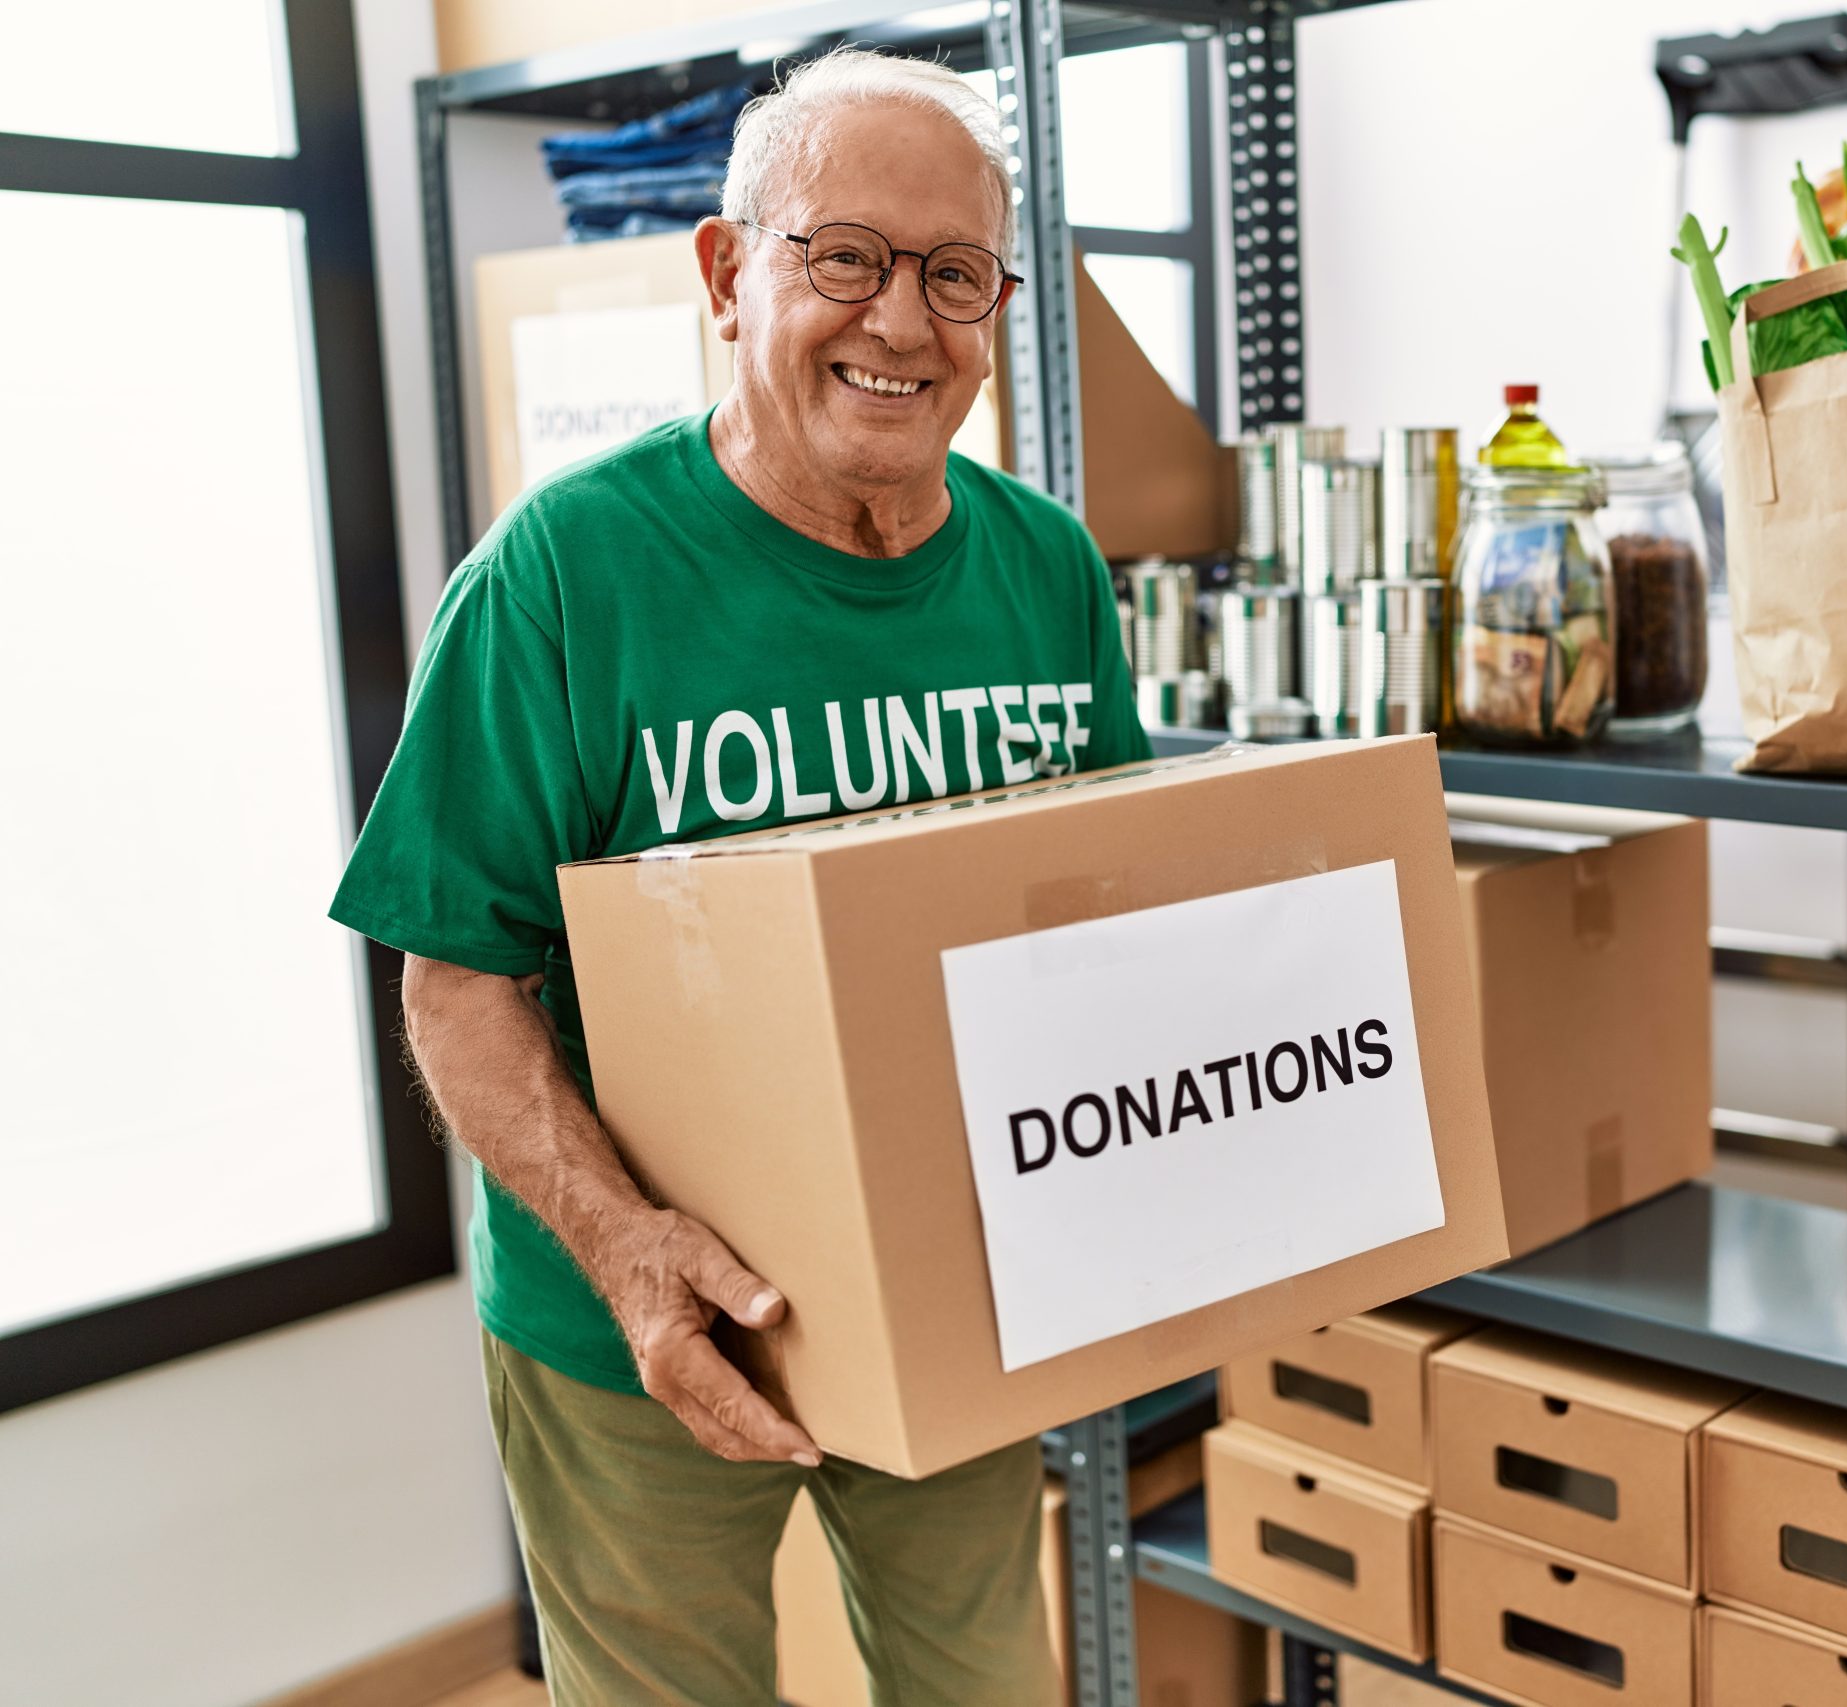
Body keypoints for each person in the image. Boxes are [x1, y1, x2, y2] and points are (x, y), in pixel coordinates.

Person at [330, 46, 1146, 1706]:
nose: (902, 323)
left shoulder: (1048, 565)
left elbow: (1099, 924)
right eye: (842, 257)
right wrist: (627, 1254)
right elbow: (453, 977)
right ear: (725, 273)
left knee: (984, 1683)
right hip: (629, 1327)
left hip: (950, 1295)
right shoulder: (562, 578)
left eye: (955, 273)